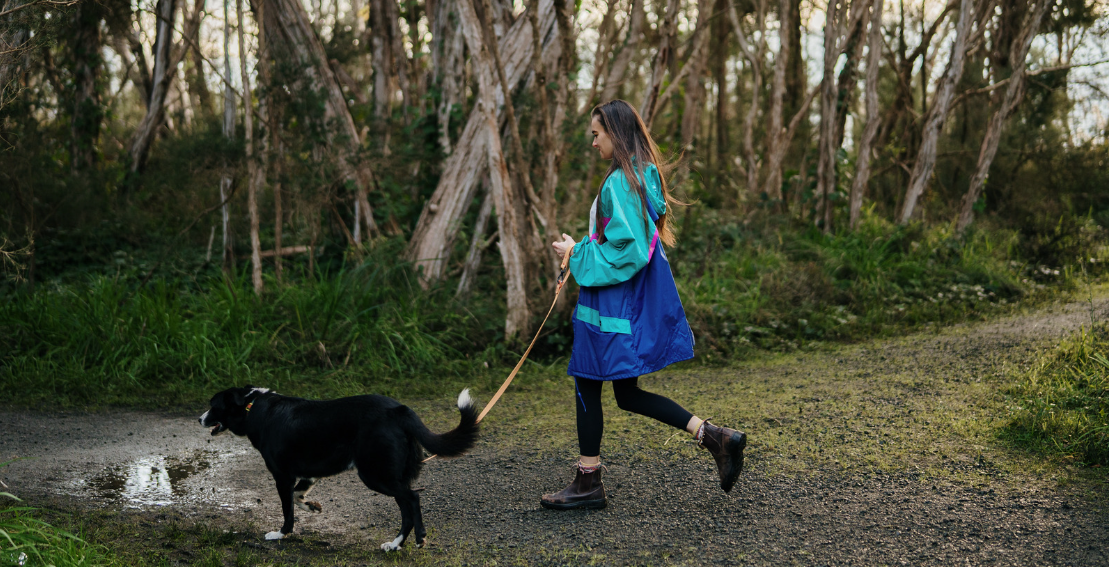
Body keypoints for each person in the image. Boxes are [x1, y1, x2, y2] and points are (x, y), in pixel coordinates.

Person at [542, 100, 747, 511]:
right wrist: (580, 251)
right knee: (626, 394)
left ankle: (588, 482)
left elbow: (629, 251)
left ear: (615, 134)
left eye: (596, 134)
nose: (592, 141)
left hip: (610, 307)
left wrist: (576, 253)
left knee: (587, 380)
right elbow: (623, 244)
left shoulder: (620, 182)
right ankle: (715, 437)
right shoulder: (638, 178)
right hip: (618, 304)